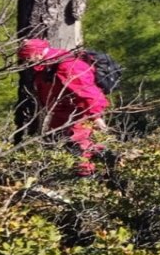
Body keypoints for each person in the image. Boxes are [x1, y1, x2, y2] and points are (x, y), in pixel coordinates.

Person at [19, 39, 111, 177]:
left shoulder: (67, 66)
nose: (25, 62)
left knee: (79, 146)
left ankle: (86, 179)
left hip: (78, 114)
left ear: (37, 54)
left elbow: (88, 93)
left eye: (27, 58)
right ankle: (94, 169)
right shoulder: (46, 65)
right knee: (60, 143)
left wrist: (96, 116)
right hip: (61, 114)